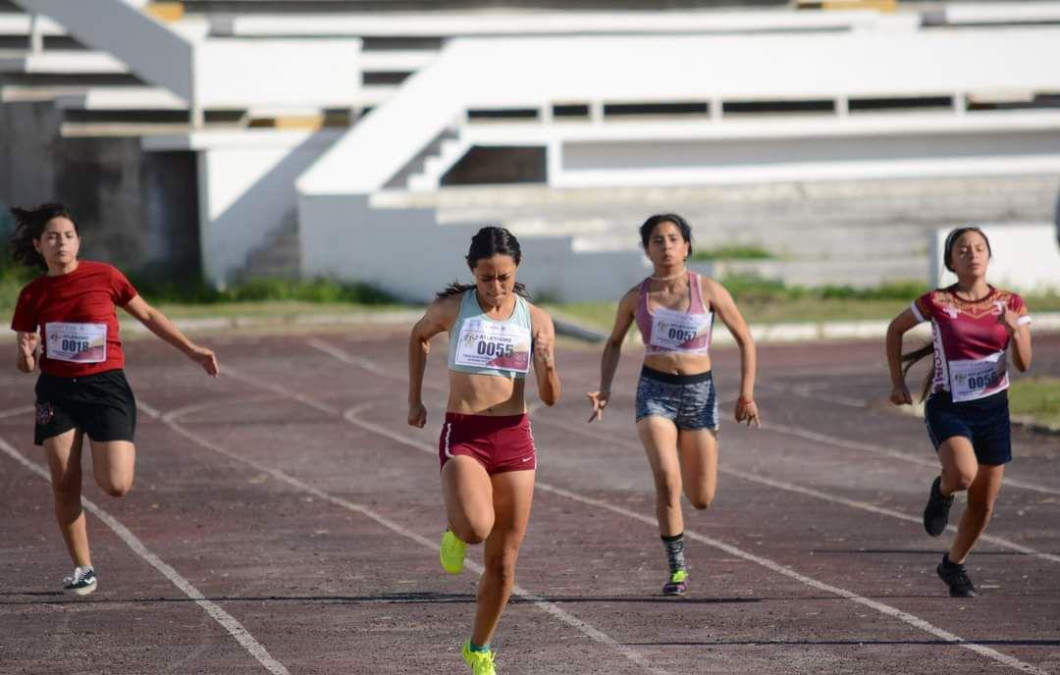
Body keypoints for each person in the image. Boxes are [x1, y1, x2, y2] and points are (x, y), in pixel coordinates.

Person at [9, 203, 219, 596]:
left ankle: (92, 533)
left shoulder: (104, 276)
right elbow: (25, 363)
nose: (61, 243)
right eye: (52, 237)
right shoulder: (32, 294)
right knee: (64, 483)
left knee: (116, 485)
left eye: (68, 236)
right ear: (38, 244)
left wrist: (191, 350)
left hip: (106, 388)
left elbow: (149, 314)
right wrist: (25, 355)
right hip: (57, 392)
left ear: (78, 241)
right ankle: (83, 568)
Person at [407, 226, 560, 675]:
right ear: (472, 272)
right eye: (487, 278)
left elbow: (550, 396)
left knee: (504, 562)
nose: (496, 288)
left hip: (514, 437)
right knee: (476, 529)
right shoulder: (455, 309)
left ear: (517, 271)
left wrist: (547, 362)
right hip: (466, 435)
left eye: (505, 278)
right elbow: (418, 337)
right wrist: (415, 398)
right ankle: (456, 529)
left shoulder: (535, 319)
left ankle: (478, 648)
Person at [587, 213, 759, 596]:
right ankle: (677, 568)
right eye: (657, 240)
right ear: (647, 249)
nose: (666, 246)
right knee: (667, 480)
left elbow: (746, 339)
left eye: (673, 238)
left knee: (700, 498)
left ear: (687, 246)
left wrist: (746, 393)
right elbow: (614, 342)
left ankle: (685, 517)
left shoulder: (708, 289)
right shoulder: (636, 297)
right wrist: (604, 389)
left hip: (700, 394)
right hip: (655, 392)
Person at [886, 226, 1032, 598]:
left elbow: (1025, 364)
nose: (973, 254)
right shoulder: (937, 301)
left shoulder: (1010, 303)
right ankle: (943, 490)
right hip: (950, 406)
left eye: (980, 248)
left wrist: (1015, 333)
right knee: (964, 474)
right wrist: (897, 383)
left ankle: (953, 565)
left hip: (994, 410)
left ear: (989, 255)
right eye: (963, 250)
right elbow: (895, 329)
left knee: (984, 504)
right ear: (951, 261)